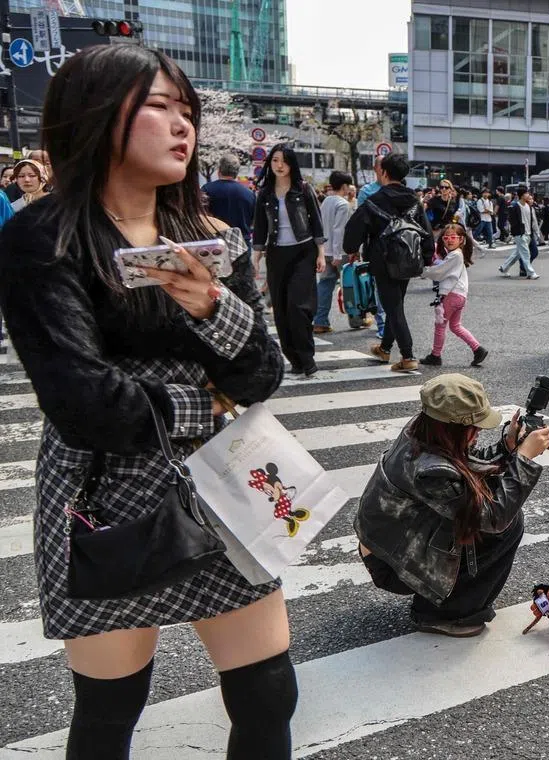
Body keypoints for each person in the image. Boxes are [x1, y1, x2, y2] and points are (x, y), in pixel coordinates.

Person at [0, 44, 293, 757]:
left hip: (224, 488)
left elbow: (262, 375)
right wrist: (204, 398)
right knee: (110, 710)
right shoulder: (45, 239)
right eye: (158, 106)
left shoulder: (210, 236)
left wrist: (212, 304)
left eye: (186, 108)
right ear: (96, 114)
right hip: (106, 500)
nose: (182, 123)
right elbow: (84, 402)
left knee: (268, 695)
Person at [355, 374, 549, 637]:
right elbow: (494, 517)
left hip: (390, 544)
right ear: (455, 427)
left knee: (492, 506)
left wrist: (507, 446)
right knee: (505, 526)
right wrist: (524, 458)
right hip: (390, 563)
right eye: (475, 426)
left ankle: (449, 600)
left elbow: (464, 468)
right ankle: (445, 614)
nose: (479, 431)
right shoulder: (430, 470)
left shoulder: (425, 430)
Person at [343, 152, 434, 373]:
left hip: (383, 260)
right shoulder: (414, 199)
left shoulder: (374, 200)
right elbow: (426, 230)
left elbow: (354, 230)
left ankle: (408, 355)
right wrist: (428, 255)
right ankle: (385, 348)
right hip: (409, 259)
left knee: (393, 307)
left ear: (383, 172)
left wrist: (352, 250)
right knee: (396, 305)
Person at [252, 143, 326, 377]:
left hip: (303, 252)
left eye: (284, 160)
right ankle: (294, 360)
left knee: (298, 306)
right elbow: (261, 227)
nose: (279, 165)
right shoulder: (264, 193)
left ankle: (307, 358)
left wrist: (321, 252)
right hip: (276, 254)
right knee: (281, 310)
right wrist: (256, 257)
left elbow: (316, 221)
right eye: (275, 160)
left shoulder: (303, 189)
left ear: (292, 163)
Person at [420, 223, 488, 367]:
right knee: (455, 326)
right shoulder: (457, 254)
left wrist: (422, 271)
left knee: (440, 325)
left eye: (453, 237)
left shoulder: (455, 255)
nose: (449, 240)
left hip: (451, 295)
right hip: (460, 296)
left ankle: (435, 355)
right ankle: (478, 349)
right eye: (445, 238)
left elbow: (440, 272)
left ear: (461, 239)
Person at [314, 170, 353, 334]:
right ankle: (356, 318)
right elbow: (339, 230)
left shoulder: (326, 201)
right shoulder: (343, 204)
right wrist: (338, 254)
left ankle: (320, 320)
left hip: (325, 250)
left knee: (325, 285)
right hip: (339, 252)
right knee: (350, 285)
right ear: (344, 186)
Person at [202, 155, 255, 250]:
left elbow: (200, 216)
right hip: (241, 244)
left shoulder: (206, 190)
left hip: (214, 244)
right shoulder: (249, 194)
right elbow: (253, 220)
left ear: (219, 170)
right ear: (236, 172)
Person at [500, 186, 539, 279]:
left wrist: (535, 232)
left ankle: (504, 268)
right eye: (526, 193)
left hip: (528, 234)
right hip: (520, 234)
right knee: (526, 253)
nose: (528, 195)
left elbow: (532, 221)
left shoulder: (528, 206)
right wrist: (516, 232)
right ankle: (531, 273)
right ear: (521, 195)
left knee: (517, 254)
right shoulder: (515, 206)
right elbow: (512, 221)